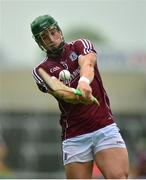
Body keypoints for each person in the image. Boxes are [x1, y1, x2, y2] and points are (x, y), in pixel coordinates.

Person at [31, 14, 129, 179]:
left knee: (119, 177)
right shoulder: (41, 70)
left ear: (59, 31)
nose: (51, 39)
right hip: (75, 135)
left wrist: (83, 82)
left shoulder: (80, 45)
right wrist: (78, 97)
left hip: (103, 127)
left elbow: (88, 63)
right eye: (44, 37)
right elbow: (61, 92)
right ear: (40, 43)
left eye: (53, 32)